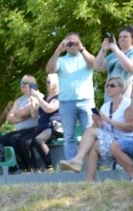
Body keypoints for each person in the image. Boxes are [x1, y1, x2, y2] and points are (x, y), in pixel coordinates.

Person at [58, 76, 133, 181]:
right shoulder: (105, 106)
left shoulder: (128, 103)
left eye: (112, 85)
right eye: (107, 85)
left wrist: (110, 121)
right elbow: (98, 128)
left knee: (91, 135)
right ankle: (89, 181)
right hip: (112, 139)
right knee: (92, 145)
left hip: (128, 139)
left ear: (121, 88)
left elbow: (130, 128)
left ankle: (78, 160)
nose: (108, 88)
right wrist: (96, 122)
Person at [46, 31, 96, 160]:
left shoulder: (85, 57)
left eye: (75, 42)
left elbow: (95, 64)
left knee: (90, 133)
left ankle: (92, 164)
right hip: (67, 103)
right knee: (69, 136)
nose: (73, 45)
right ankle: (72, 165)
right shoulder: (62, 60)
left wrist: (82, 48)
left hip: (86, 102)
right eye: (69, 43)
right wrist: (58, 50)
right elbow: (49, 69)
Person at [0, 75, 38, 170]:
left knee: (15, 139)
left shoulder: (36, 97)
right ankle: (12, 165)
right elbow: (9, 117)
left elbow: (25, 112)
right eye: (21, 83)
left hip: (32, 130)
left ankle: (27, 165)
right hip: (20, 131)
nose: (22, 85)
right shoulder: (19, 100)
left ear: (32, 85)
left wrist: (17, 113)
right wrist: (22, 117)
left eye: (25, 83)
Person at [94, 25, 133, 99]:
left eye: (125, 37)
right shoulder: (113, 54)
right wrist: (103, 50)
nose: (121, 39)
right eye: (120, 37)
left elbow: (131, 67)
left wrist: (116, 49)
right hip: (110, 98)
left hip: (128, 97)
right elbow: (97, 67)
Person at [22, 73, 61, 170]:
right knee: (24, 141)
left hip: (53, 127)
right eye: (46, 81)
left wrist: (38, 97)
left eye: (49, 82)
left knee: (39, 140)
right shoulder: (45, 97)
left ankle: (49, 166)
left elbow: (49, 108)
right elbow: (34, 114)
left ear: (56, 83)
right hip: (42, 127)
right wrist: (32, 100)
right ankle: (32, 167)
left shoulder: (59, 97)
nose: (46, 84)